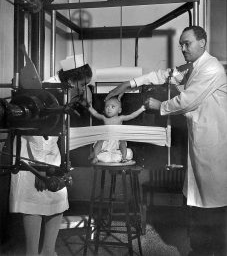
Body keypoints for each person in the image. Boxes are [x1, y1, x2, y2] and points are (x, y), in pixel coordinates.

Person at [106, 26, 227, 256]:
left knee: (213, 202)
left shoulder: (211, 68)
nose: (182, 48)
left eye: (187, 43)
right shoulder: (194, 68)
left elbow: (187, 101)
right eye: (181, 44)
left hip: (215, 145)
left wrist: (158, 106)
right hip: (201, 142)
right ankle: (199, 248)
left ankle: (211, 250)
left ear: (202, 42)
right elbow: (165, 75)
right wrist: (128, 84)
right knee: (198, 200)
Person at [9, 54, 92, 256]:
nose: (83, 89)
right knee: (34, 204)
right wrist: (41, 169)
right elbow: (36, 135)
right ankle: (32, 253)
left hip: (51, 154)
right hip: (33, 156)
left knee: (57, 202)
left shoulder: (65, 90)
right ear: (71, 79)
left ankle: (49, 251)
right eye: (82, 84)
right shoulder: (46, 90)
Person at [88, 96, 145, 164]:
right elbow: (95, 114)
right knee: (99, 142)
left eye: (112, 107)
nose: (109, 109)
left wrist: (141, 109)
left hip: (117, 139)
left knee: (123, 142)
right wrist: (89, 108)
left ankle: (123, 158)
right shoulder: (104, 118)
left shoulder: (120, 118)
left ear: (119, 110)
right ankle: (95, 156)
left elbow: (131, 116)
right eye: (107, 107)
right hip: (106, 139)